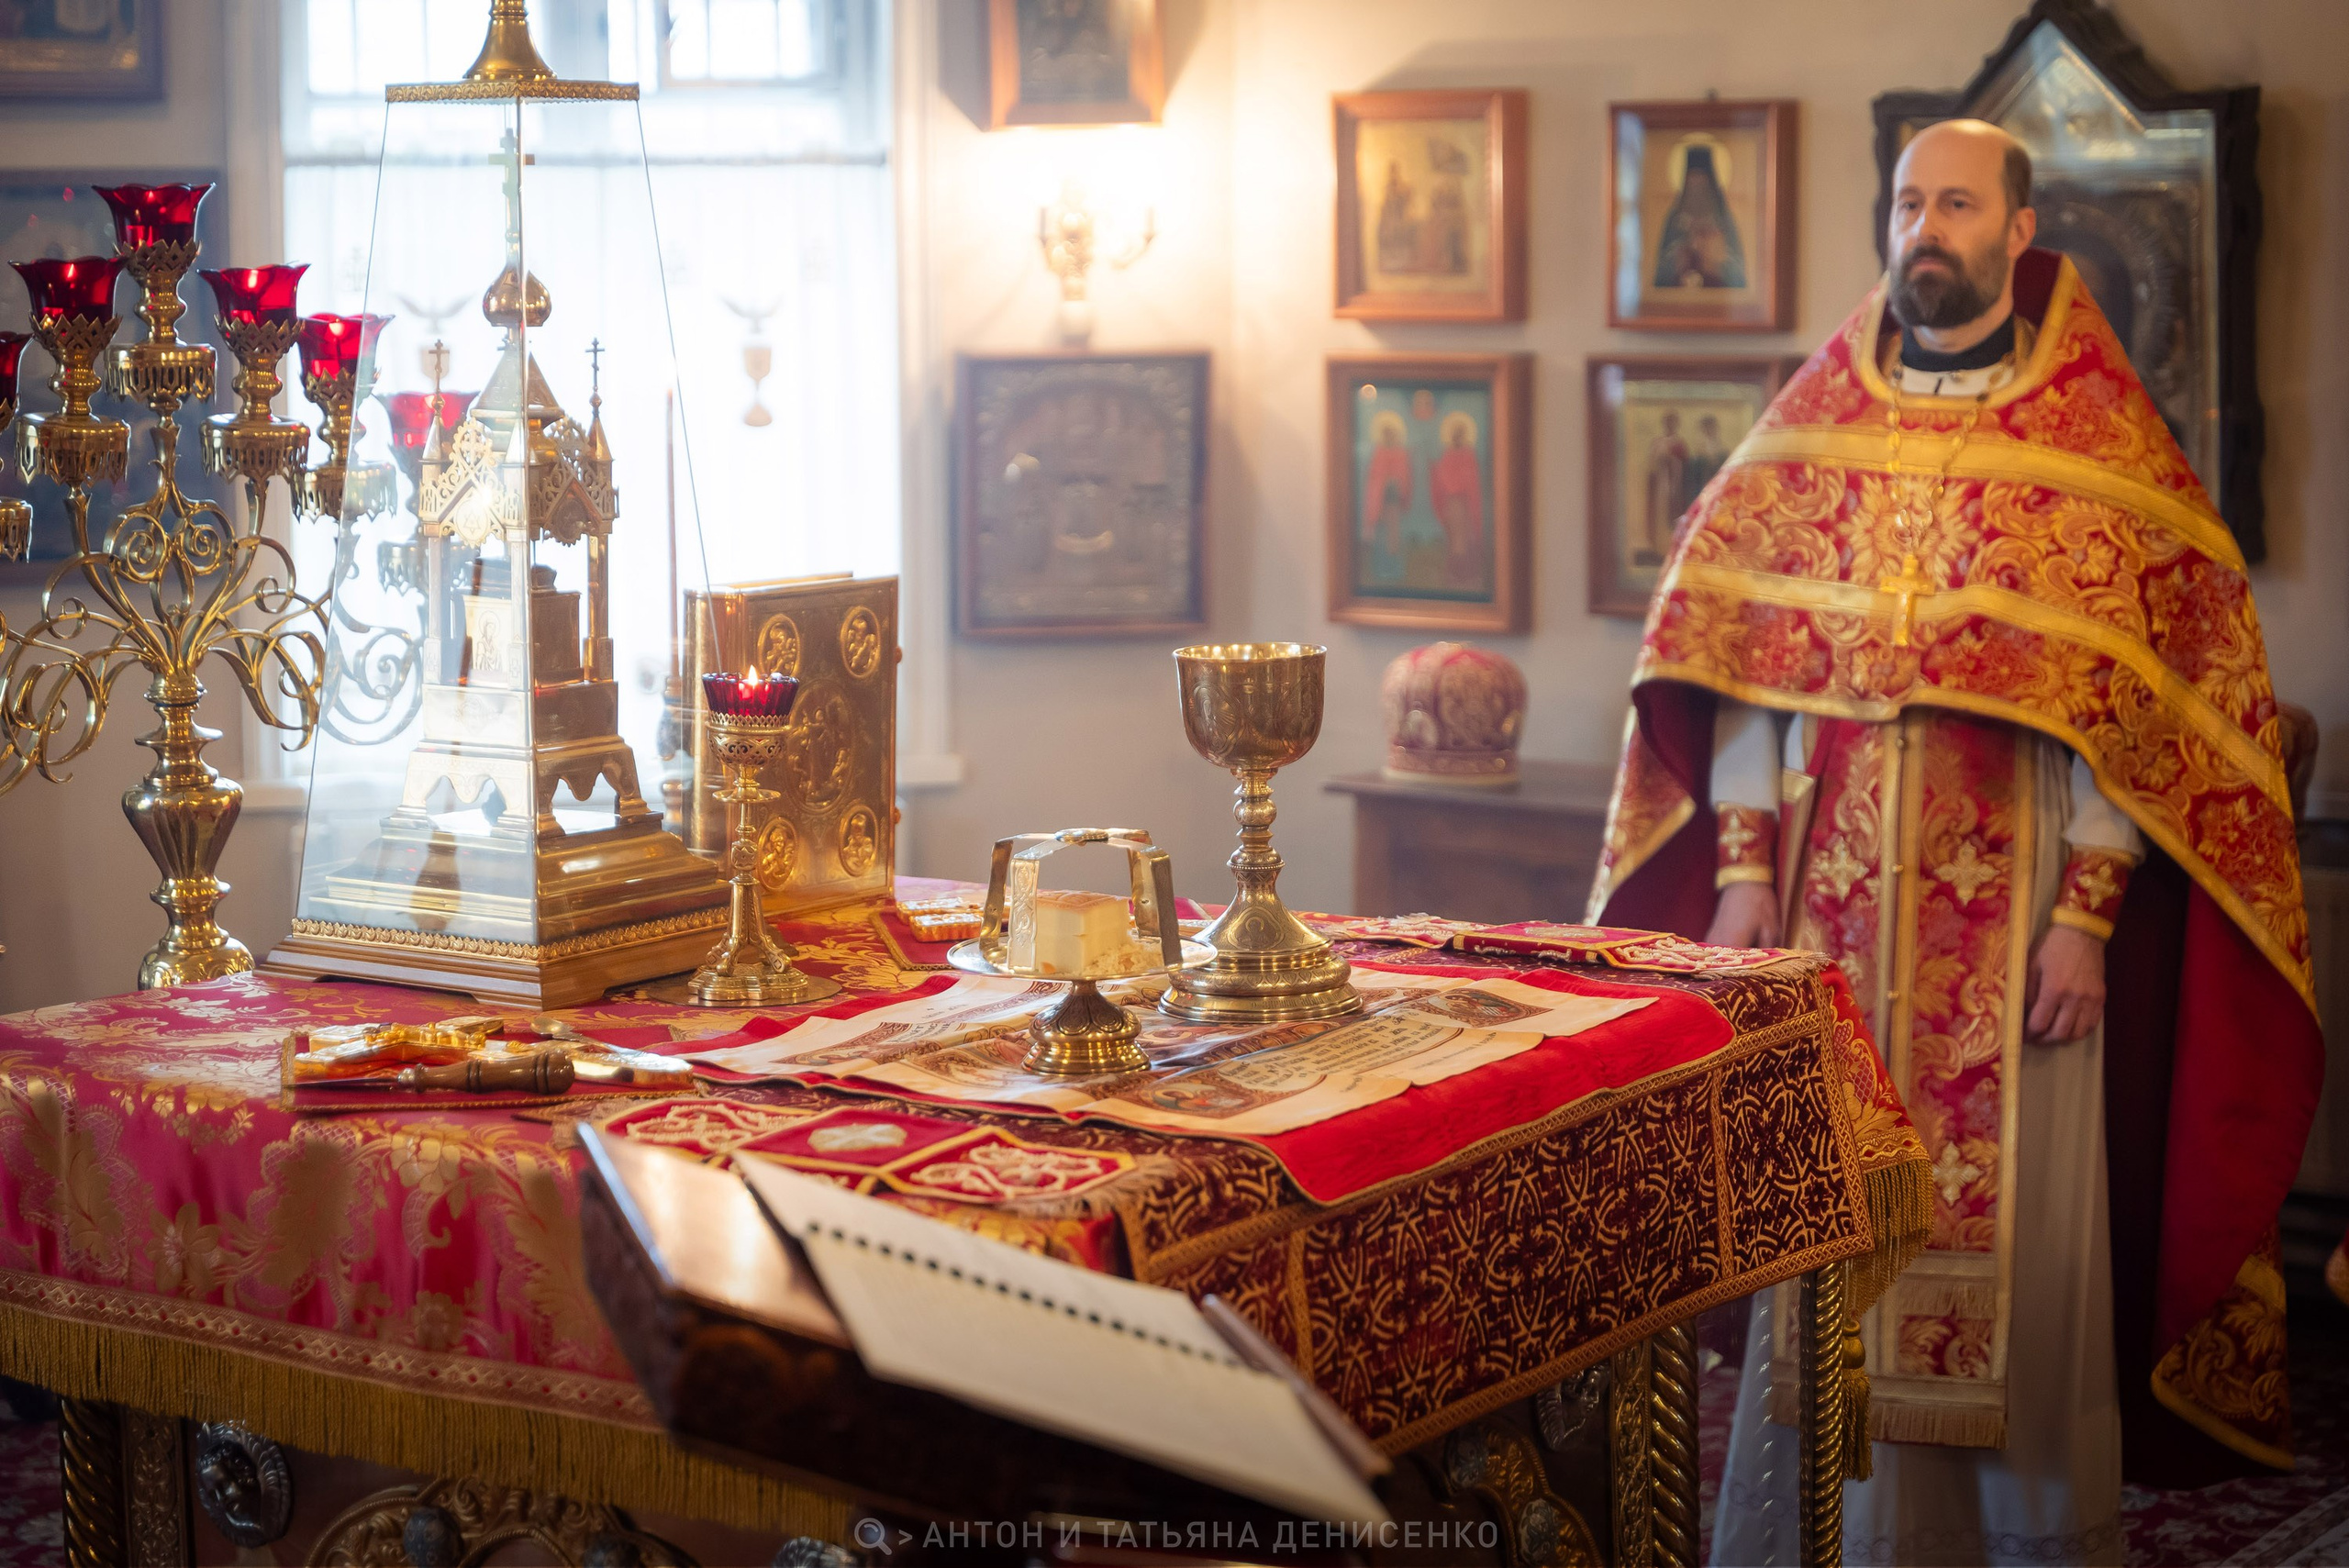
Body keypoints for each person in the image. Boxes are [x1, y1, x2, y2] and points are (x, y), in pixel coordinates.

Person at [1587, 119, 2321, 1566]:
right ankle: (1821, 1534)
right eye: (1909, 200)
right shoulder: (1813, 426)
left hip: (2021, 901)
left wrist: (2086, 918)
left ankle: (2017, 1538)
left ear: (2020, 224)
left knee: (2015, 1244)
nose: (1926, 224)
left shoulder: (2095, 442)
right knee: (1831, 1210)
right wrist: (1740, 875)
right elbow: (1746, 668)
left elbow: (2135, 712)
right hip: (1828, 906)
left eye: (1958, 202)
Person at [1652, 141, 1748, 290]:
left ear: (1710, 182)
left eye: (1701, 182)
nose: (1696, 188)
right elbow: (1659, 276)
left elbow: (1739, 278)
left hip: (1718, 301)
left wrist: (1716, 261)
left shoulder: (1723, 219)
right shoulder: (1674, 218)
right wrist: (1678, 257)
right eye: (1691, 181)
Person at [1428, 412, 1485, 588]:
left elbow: (1472, 479)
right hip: (1452, 504)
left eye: (1461, 432)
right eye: (1455, 432)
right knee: (1454, 540)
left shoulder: (1469, 454)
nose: (1458, 435)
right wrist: (1435, 471)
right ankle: (1454, 574)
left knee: (1465, 539)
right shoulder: (1448, 454)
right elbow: (1444, 477)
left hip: (1464, 503)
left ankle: (1466, 574)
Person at [1639, 410, 1689, 566]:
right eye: (1668, 423)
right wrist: (1661, 461)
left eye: (1673, 423)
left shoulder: (1680, 443)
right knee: (1660, 514)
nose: (1670, 426)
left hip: (1676, 485)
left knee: (1673, 515)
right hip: (1661, 485)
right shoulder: (1658, 442)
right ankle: (1659, 548)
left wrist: (1674, 462)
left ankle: (1673, 548)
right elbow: (1651, 465)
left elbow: (1686, 466)